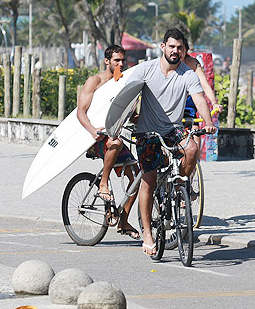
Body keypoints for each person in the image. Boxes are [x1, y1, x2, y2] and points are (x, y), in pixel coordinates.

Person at [130, 28, 216, 255]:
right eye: (171, 47)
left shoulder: (188, 74)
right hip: (147, 132)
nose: (175, 51)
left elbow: (199, 99)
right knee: (148, 180)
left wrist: (207, 121)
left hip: (173, 130)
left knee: (192, 148)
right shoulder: (146, 69)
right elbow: (127, 95)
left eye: (180, 48)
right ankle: (147, 234)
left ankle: (179, 186)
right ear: (163, 47)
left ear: (185, 50)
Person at [76, 44, 140, 240]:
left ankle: (124, 219)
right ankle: (103, 183)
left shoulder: (123, 82)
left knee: (138, 177)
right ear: (107, 61)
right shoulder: (94, 81)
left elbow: (130, 113)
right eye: (116, 60)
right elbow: (80, 112)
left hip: (115, 135)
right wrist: (92, 131)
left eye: (123, 60)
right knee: (115, 142)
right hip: (96, 137)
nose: (121, 64)